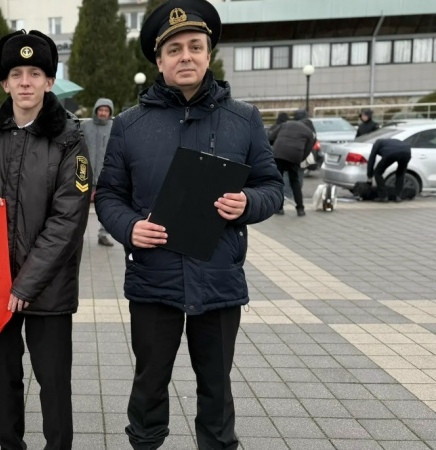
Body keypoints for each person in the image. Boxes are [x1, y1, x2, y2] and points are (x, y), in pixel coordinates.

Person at [94, 0, 283, 448]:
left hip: (218, 279)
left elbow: (272, 187)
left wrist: (248, 202)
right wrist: (129, 229)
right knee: (149, 385)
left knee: (216, 388)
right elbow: (108, 195)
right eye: (174, 49)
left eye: (195, 46)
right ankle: (145, 441)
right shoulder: (129, 124)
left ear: (209, 53)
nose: (186, 56)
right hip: (153, 278)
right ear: (158, 61)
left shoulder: (244, 119)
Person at [0, 29, 91, 450]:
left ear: (49, 81)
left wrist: (25, 284)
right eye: (16, 73)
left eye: (35, 72)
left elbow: (68, 221)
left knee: (53, 384)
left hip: (48, 289)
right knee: (4, 381)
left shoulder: (70, 138)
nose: (25, 81)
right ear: (4, 82)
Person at [82, 98, 116, 246]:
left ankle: (103, 235)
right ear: (96, 110)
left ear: (110, 112)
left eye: (106, 110)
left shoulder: (114, 127)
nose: (103, 113)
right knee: (80, 207)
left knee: (106, 206)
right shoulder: (84, 126)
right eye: (100, 110)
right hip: (84, 174)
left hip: (106, 174)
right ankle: (77, 235)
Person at [268, 114, 315, 216]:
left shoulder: (285, 125)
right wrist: (299, 159)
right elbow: (308, 150)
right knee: (295, 182)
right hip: (295, 156)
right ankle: (300, 209)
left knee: (278, 181)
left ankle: (279, 208)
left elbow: (271, 137)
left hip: (279, 154)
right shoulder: (309, 133)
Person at [367, 138, 411, 202]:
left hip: (391, 153)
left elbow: (372, 159)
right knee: (400, 173)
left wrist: (369, 176)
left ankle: (383, 196)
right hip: (407, 152)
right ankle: (398, 197)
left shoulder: (377, 143)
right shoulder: (390, 142)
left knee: (377, 173)